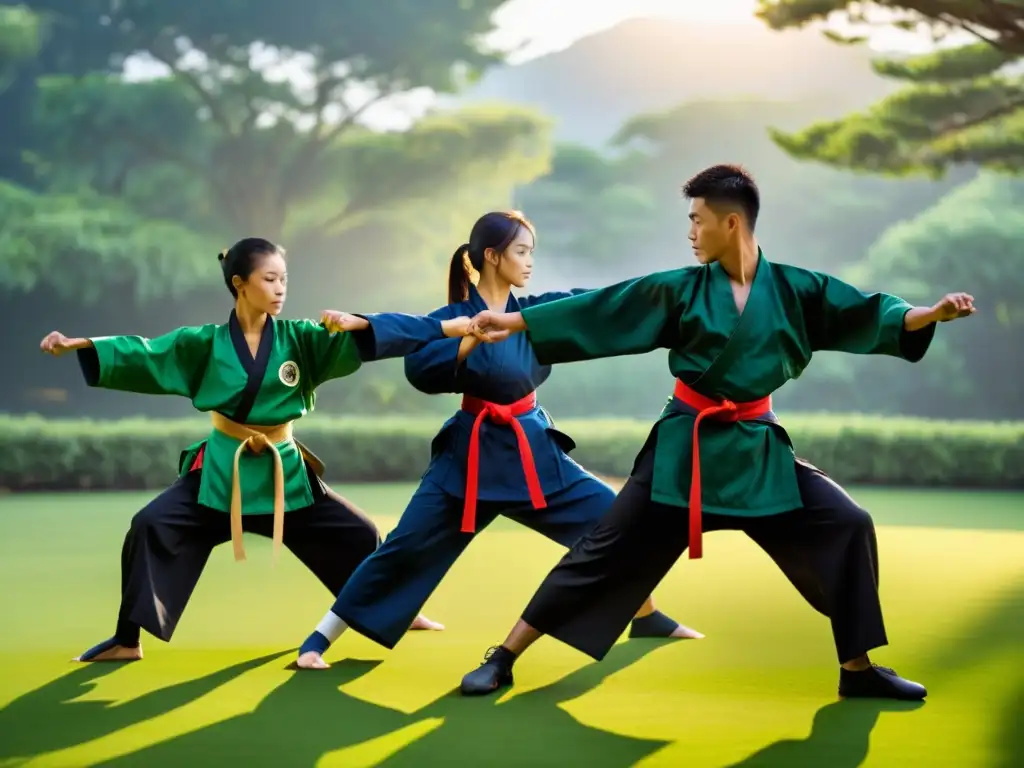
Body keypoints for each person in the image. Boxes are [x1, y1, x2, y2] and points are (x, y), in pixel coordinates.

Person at [458, 165, 977, 700]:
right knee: (603, 552)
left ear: (732, 223)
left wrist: (928, 314)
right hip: (685, 454)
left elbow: (869, 312)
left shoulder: (798, 289)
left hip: (757, 451)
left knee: (846, 522)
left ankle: (858, 670)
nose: (689, 232)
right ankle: (504, 655)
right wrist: (518, 322)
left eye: (697, 220)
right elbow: (608, 307)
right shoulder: (681, 289)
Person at [38, 237, 480, 662]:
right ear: (239, 284)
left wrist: (442, 327)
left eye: (284, 279)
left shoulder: (302, 338)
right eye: (270, 279)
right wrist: (86, 346)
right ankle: (126, 639)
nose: (280, 288)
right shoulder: (204, 343)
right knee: (150, 525)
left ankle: (400, 611)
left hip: (282, 475)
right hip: (220, 473)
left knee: (359, 533)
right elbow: (148, 353)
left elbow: (373, 335)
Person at [295, 211, 702, 671]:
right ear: (492, 256)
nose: (530, 263)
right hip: (468, 461)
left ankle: (646, 616)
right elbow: (417, 351)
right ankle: (318, 639)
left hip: (535, 456)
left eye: (532, 253)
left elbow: (595, 304)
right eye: (521, 252)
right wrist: (462, 343)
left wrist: (675, 287)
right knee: (403, 549)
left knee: (614, 523)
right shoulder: (450, 318)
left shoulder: (535, 316)